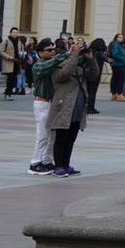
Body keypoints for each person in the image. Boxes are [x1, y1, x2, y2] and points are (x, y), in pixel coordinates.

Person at [46, 37, 94, 177]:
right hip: (63, 107)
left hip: (77, 108)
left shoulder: (78, 66)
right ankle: (58, 166)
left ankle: (66, 164)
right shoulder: (57, 65)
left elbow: (93, 74)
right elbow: (64, 74)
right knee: (61, 138)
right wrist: (74, 56)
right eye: (72, 47)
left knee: (71, 139)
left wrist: (90, 59)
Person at [27, 38, 62, 174]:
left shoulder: (51, 64)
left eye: (54, 49)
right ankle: (35, 163)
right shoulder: (38, 65)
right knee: (42, 134)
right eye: (49, 50)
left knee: (51, 135)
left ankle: (46, 161)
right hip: (42, 103)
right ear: (40, 52)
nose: (52, 52)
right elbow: (50, 64)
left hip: (50, 102)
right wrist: (65, 55)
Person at [108, 33, 125, 101]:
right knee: (120, 79)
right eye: (119, 37)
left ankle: (114, 94)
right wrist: (123, 58)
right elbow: (115, 54)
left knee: (115, 79)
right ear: (116, 38)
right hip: (119, 64)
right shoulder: (116, 44)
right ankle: (119, 94)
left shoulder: (117, 44)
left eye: (122, 37)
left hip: (116, 64)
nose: (121, 38)